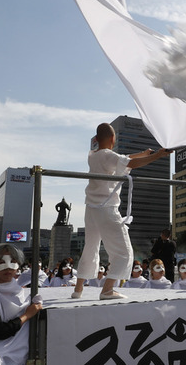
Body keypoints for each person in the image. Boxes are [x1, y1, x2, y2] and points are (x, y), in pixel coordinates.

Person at [71, 123, 172, 300]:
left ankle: (78, 289)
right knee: (123, 252)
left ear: (96, 139)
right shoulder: (108, 156)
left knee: (90, 248)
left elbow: (121, 159)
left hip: (91, 209)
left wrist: (142, 154)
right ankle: (107, 290)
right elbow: (128, 162)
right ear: (113, 139)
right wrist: (157, 155)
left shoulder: (92, 155)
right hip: (106, 208)